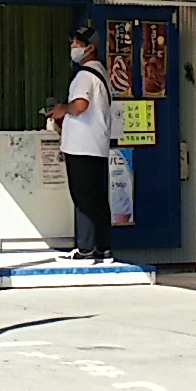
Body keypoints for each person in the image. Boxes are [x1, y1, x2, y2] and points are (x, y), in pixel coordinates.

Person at [41, 23, 117, 262]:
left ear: (90, 48)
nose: (73, 47)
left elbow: (81, 106)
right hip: (97, 145)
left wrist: (63, 109)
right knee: (97, 197)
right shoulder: (102, 73)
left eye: (77, 43)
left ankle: (85, 249)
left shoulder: (84, 76)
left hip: (81, 147)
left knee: (83, 198)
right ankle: (103, 248)